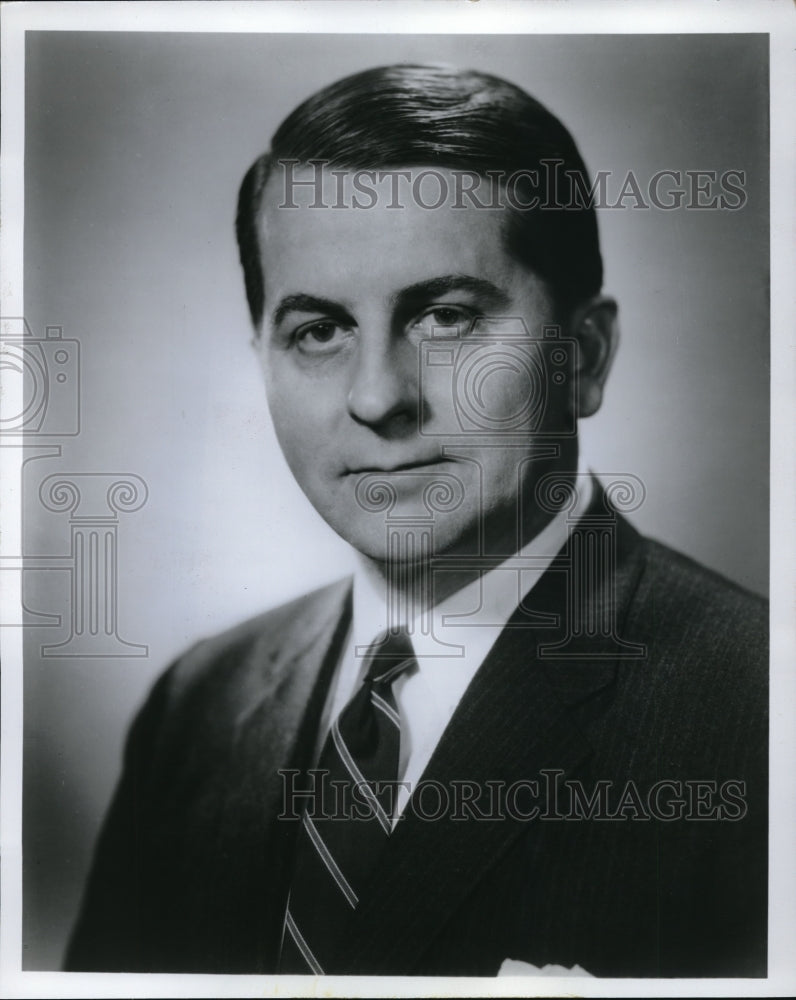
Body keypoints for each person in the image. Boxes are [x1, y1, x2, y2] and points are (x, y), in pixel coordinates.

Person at [65, 64, 767, 978]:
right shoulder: (196, 708)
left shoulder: (762, 714)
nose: (378, 397)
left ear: (585, 357)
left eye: (444, 316)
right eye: (319, 331)